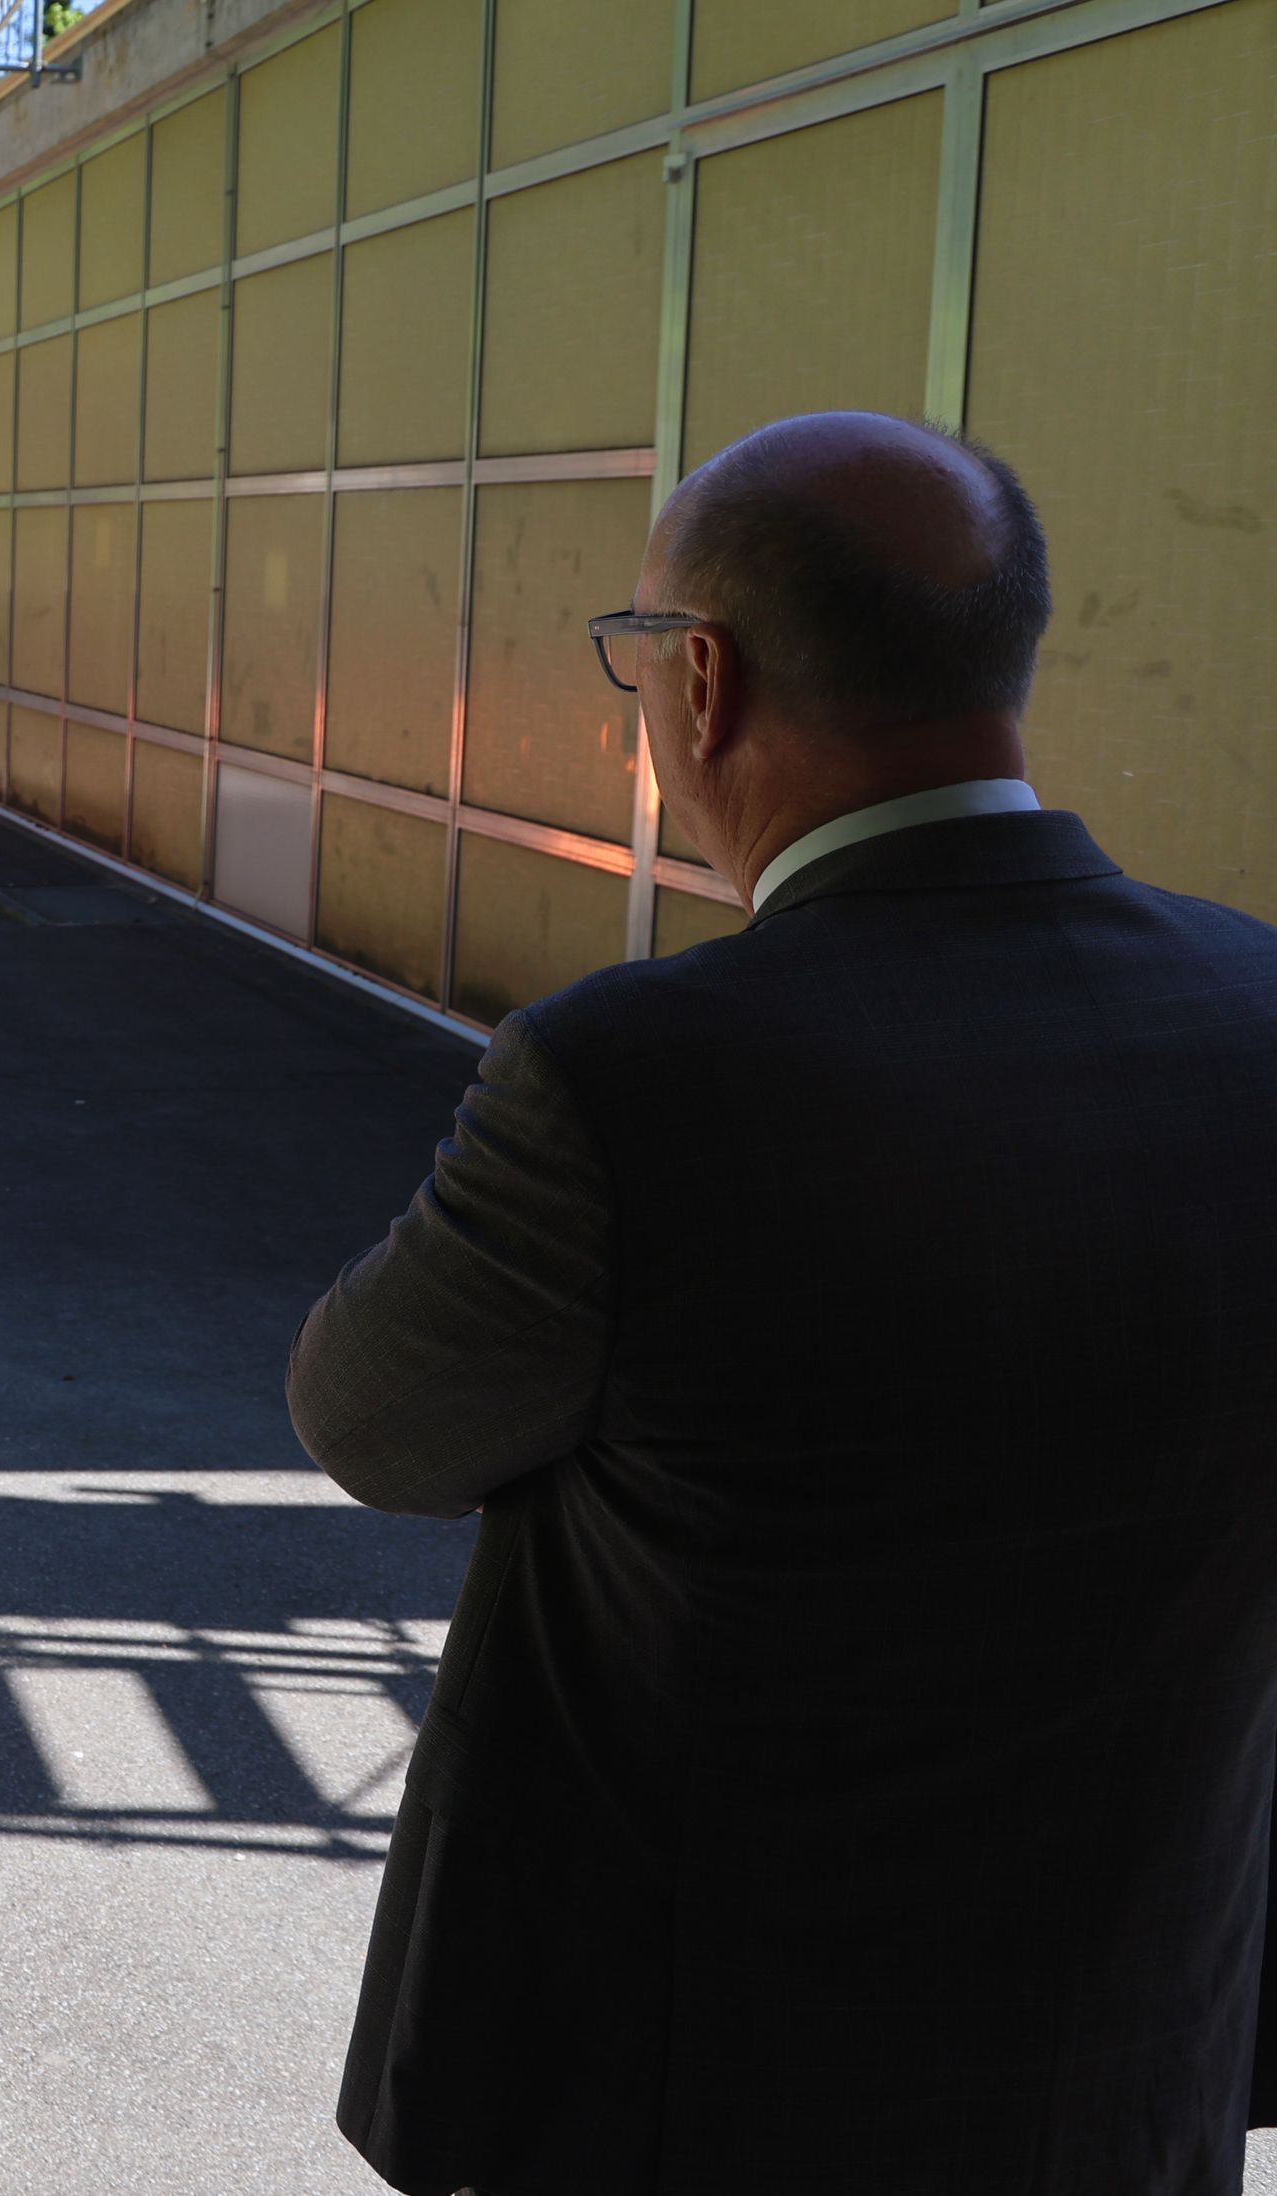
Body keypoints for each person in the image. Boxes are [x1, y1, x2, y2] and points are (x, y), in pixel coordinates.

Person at [288, 412, 1277, 2195]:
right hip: (1133, 2065)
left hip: (705, 2086)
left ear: (703, 678)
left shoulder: (631, 1078)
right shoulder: (1254, 1006)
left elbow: (371, 1421)